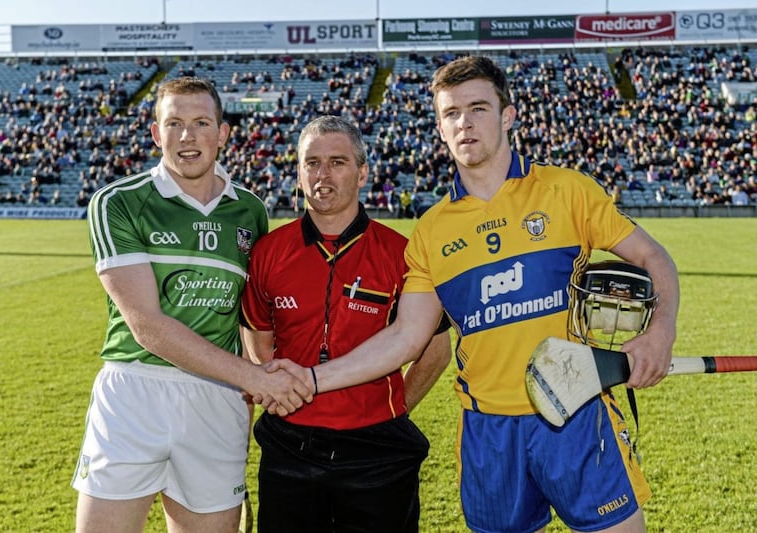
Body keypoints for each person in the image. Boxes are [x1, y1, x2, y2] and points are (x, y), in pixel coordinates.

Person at [264, 56, 680, 533]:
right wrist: (312, 380)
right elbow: (405, 338)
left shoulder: (567, 191)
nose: (464, 123)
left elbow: (654, 258)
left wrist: (660, 330)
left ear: (507, 115)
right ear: (440, 127)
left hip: (578, 412)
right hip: (489, 430)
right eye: (451, 113)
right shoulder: (431, 232)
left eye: (478, 108)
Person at [72, 76, 311, 533]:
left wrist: (252, 384)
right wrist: (257, 379)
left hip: (217, 397)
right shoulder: (117, 202)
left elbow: (252, 315)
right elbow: (148, 327)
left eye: (201, 122)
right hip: (134, 391)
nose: (187, 135)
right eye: (174, 123)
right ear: (156, 134)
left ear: (222, 134)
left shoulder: (250, 210)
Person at [241, 115, 452, 533]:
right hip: (290, 445)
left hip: (378, 451)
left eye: (337, 162)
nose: (323, 174)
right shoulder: (268, 252)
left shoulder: (401, 253)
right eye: (312, 163)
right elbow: (259, 343)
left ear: (362, 173)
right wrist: (281, 393)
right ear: (298, 174)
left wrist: (393, 409)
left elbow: (436, 351)